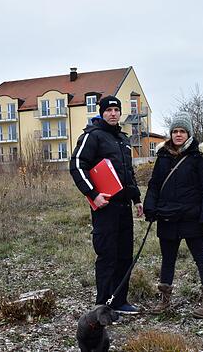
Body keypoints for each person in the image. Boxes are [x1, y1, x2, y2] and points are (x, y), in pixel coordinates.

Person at [69, 95, 144, 315]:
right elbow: (76, 166)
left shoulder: (123, 139)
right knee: (107, 256)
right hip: (105, 209)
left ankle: (119, 302)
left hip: (124, 209)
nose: (113, 113)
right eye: (109, 110)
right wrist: (93, 194)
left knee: (124, 256)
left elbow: (128, 173)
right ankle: (103, 305)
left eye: (116, 110)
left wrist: (137, 199)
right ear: (102, 113)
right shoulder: (93, 136)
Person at [143, 112, 203, 318]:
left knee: (201, 258)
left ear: (189, 133)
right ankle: (165, 300)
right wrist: (150, 207)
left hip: (192, 218)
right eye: (175, 131)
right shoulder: (163, 155)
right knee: (167, 260)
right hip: (167, 217)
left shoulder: (199, 156)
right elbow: (155, 184)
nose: (178, 134)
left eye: (182, 131)